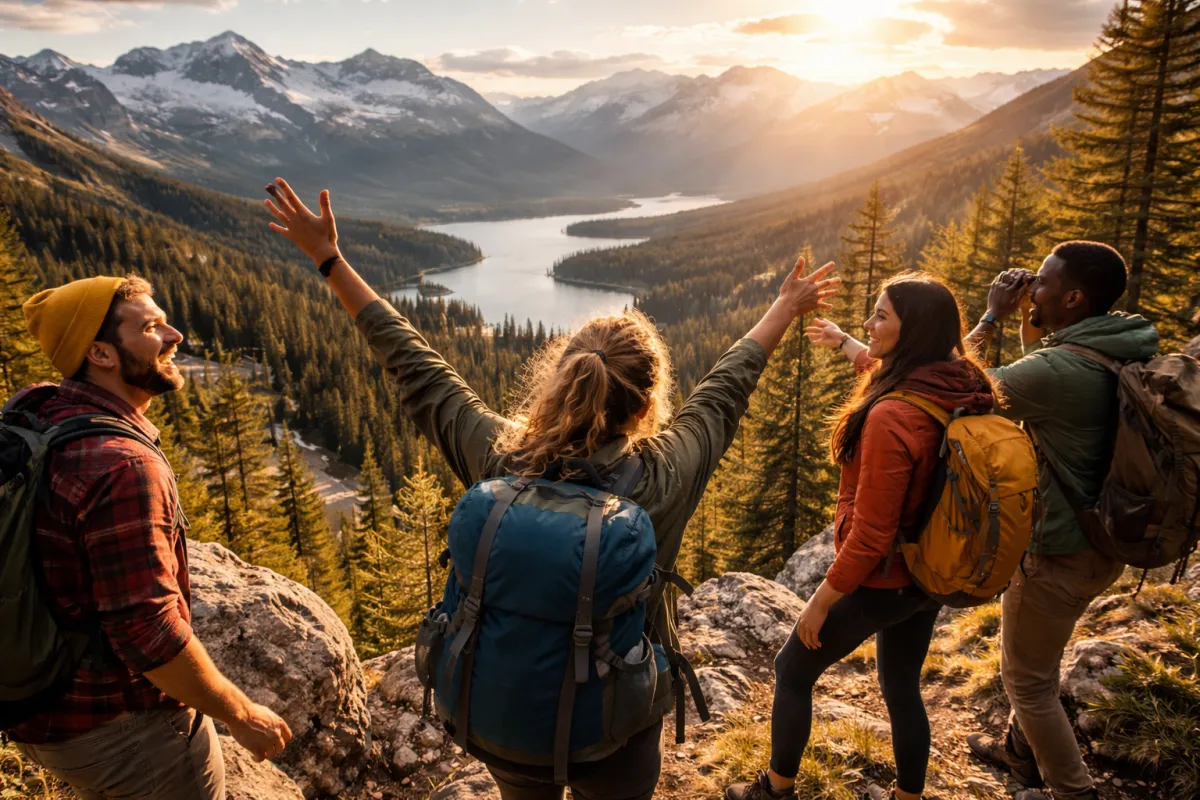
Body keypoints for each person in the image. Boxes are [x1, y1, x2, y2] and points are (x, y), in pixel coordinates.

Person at [263, 177, 838, 800]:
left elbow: (418, 368)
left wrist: (330, 260)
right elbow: (726, 388)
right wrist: (785, 306)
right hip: (617, 728)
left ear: (561, 379)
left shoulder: (502, 458)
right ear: (646, 404)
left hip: (509, 719)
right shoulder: (662, 477)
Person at [6, 275, 293, 800]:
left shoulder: (38, 412)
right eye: (151, 327)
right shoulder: (123, 466)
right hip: (124, 731)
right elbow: (147, 633)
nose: (176, 335)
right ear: (101, 353)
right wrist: (242, 713)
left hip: (43, 708)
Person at [725, 273, 998, 800]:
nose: (869, 324)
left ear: (912, 331)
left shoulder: (892, 416)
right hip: (930, 567)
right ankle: (908, 796)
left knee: (791, 669)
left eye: (881, 317)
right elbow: (899, 377)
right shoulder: (962, 382)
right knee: (900, 684)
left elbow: (872, 535)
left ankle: (774, 789)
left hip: (885, 578)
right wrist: (849, 344)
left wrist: (821, 601)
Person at [958, 241, 1158, 800]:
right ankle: (1020, 754)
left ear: (1073, 297)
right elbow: (1049, 383)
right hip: (1107, 540)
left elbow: (958, 385)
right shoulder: (1120, 344)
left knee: (1028, 682)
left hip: (1059, 551)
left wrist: (992, 314)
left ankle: (1073, 791)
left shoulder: (1059, 369)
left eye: (1042, 282)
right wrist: (1035, 324)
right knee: (1039, 662)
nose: (1030, 287)